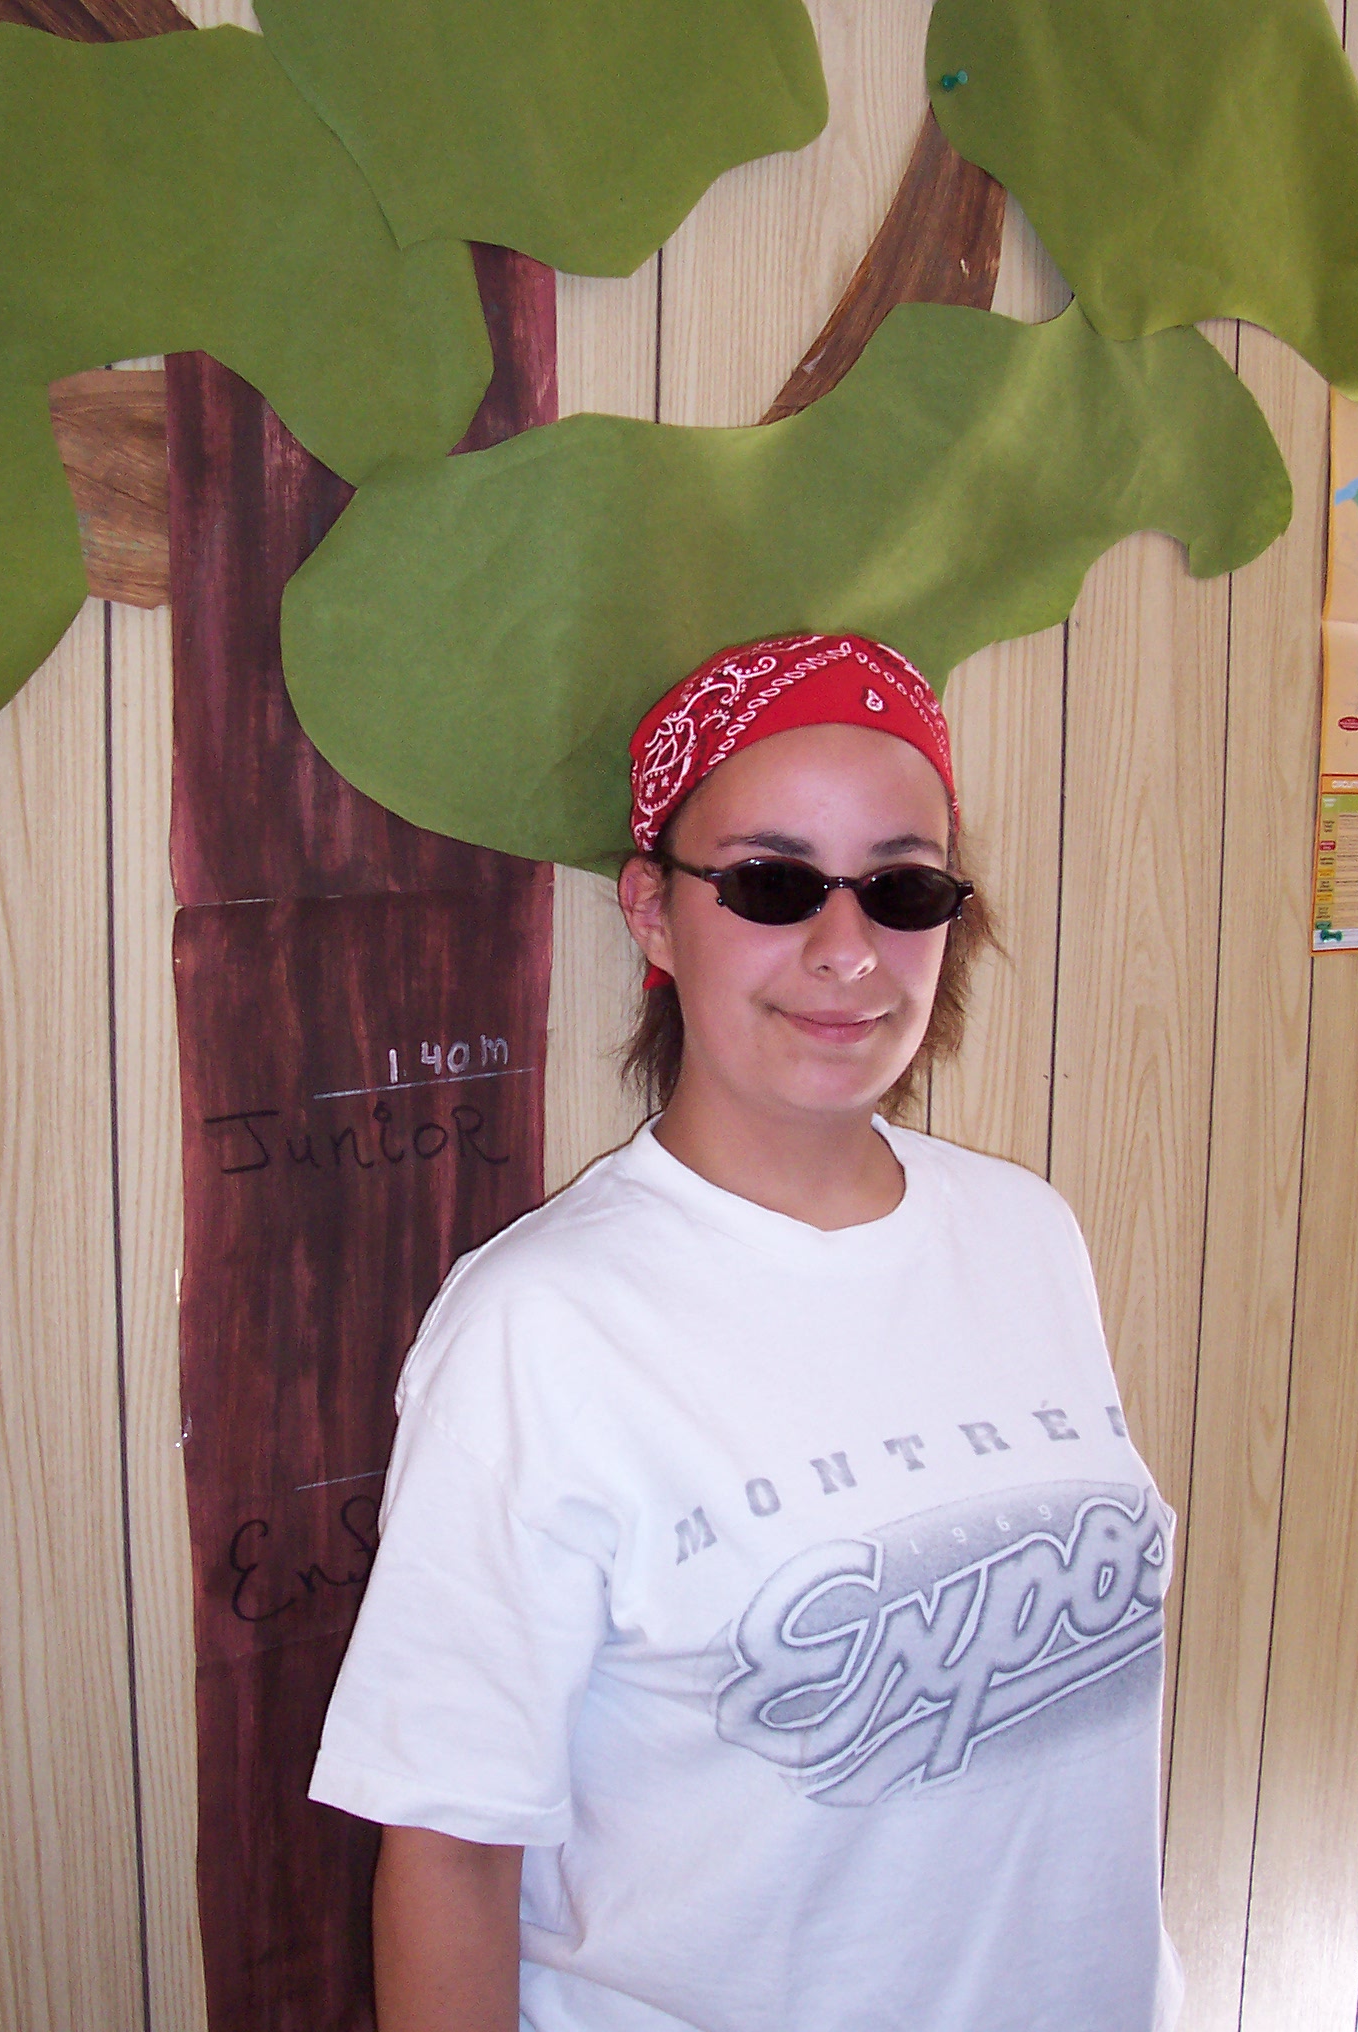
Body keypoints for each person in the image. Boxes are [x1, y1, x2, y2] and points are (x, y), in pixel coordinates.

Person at [309, 633, 1182, 2032]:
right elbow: (451, 1851)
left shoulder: (1028, 1236)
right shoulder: (541, 1329)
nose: (847, 951)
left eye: (902, 887)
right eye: (774, 883)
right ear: (652, 913)